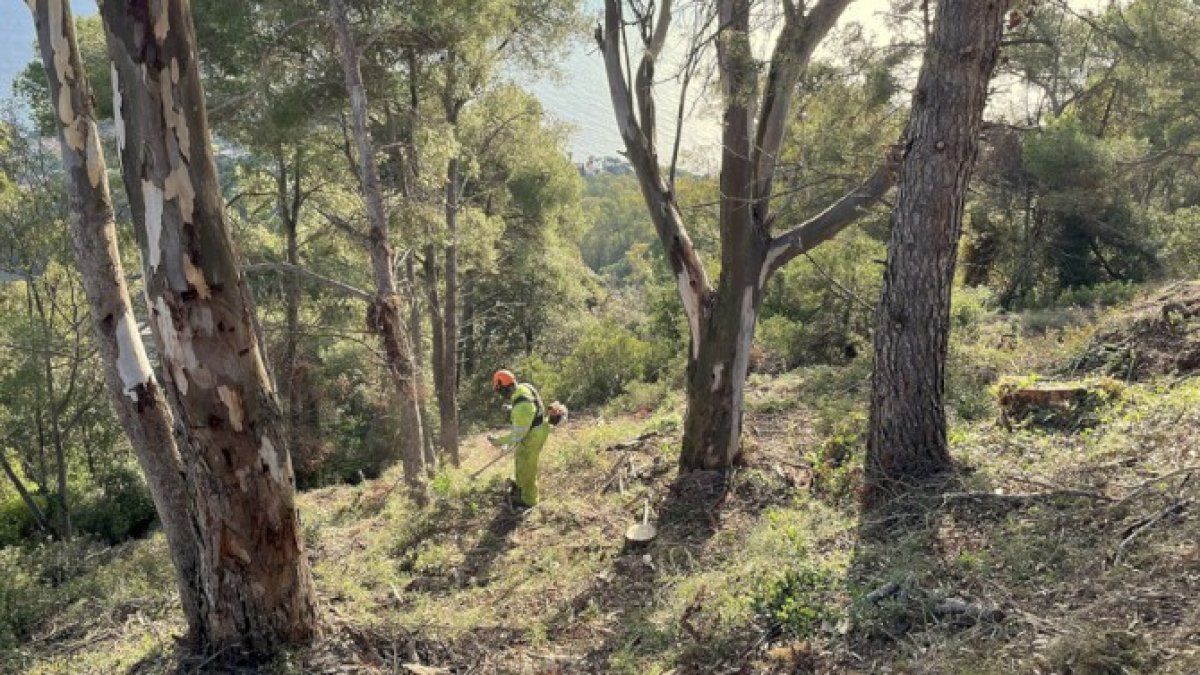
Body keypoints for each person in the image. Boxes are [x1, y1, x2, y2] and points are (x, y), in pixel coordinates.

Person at [487, 369, 550, 510]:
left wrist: (498, 441)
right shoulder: (524, 387)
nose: (501, 395)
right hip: (536, 429)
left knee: (527, 467)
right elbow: (531, 405)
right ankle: (521, 489)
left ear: (505, 388)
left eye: (501, 391)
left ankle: (528, 501)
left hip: (533, 436)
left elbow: (517, 435)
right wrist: (511, 407)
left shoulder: (522, 408)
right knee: (520, 460)